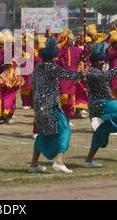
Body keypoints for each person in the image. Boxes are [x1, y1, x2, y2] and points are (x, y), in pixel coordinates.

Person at [28, 38, 87, 173]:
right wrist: (81, 74)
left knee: (43, 134)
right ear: (52, 58)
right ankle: (59, 161)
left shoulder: (37, 68)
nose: (57, 59)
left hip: (39, 107)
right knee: (65, 130)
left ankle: (33, 164)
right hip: (50, 107)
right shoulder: (51, 68)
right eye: (55, 56)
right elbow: (65, 74)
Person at [83, 44, 117, 167]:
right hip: (99, 104)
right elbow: (107, 76)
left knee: (100, 135)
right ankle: (104, 119)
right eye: (100, 60)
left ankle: (88, 160)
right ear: (94, 61)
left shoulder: (97, 71)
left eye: (103, 60)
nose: (102, 62)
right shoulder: (93, 72)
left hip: (104, 103)